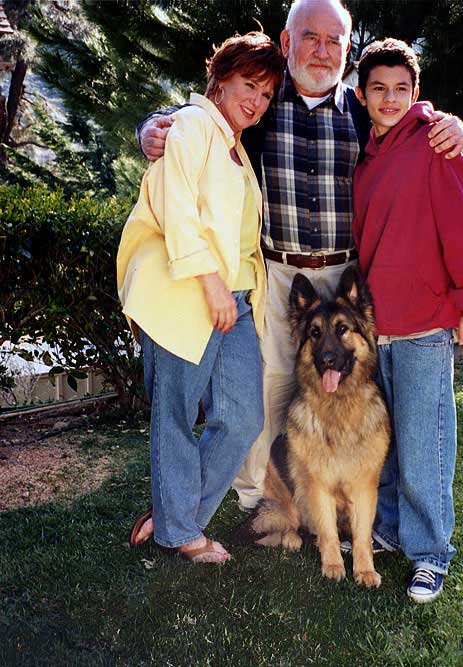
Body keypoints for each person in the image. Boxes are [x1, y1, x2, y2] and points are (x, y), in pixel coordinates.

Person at [136, 0, 463, 533]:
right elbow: (191, 117)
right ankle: (260, 501)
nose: (322, 50)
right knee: (269, 387)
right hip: (277, 273)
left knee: (355, 392)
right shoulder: (260, 100)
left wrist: (453, 125)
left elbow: (411, 117)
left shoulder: (363, 109)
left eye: (334, 41)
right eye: (310, 37)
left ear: (347, 50)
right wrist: (151, 126)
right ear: (288, 42)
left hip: (347, 276)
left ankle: (348, 505)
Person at [117, 32, 285, 562]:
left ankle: (176, 513)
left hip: (233, 299)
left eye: (265, 94)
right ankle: (182, 531)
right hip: (186, 294)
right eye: (248, 86)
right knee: (175, 415)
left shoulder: (234, 144)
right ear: (220, 79)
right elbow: (178, 210)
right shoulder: (190, 126)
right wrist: (212, 284)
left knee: (241, 419)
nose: (256, 102)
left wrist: (233, 294)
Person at [352, 38, 463, 601]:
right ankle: (388, 531)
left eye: (401, 90)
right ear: (362, 96)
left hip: (424, 327)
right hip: (376, 328)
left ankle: (430, 552)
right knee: (384, 446)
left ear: (416, 94)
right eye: (379, 90)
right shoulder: (367, 158)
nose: (390, 99)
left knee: (424, 447)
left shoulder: (436, 144)